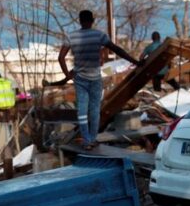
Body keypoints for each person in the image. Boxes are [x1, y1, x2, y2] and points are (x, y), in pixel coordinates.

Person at [59, 10, 141, 149]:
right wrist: (135, 61)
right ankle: (92, 138)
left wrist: (67, 75)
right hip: (95, 78)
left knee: (82, 111)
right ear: (92, 20)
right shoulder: (99, 35)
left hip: (79, 79)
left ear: (80, 20)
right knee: (95, 110)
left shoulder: (71, 36)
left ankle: (86, 141)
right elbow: (117, 50)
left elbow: (61, 58)